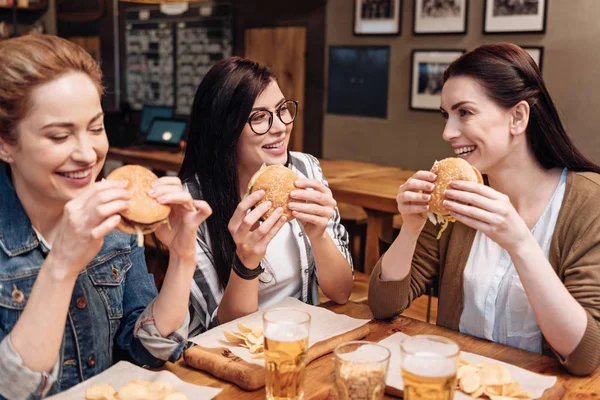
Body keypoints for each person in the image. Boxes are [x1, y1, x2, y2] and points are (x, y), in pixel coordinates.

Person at [368, 43, 600, 376]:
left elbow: (584, 355)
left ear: (517, 117)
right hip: (454, 383)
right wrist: (410, 227)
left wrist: (519, 243)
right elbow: (383, 305)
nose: (448, 132)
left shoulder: (588, 203)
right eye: (446, 115)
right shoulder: (455, 196)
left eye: (465, 112)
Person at [0, 35, 212, 398]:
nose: (87, 154)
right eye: (59, 135)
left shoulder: (118, 220)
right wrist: (62, 264)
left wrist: (181, 257)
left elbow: (146, 349)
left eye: (96, 128)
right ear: (6, 143)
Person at [179, 57, 353, 335]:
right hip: (231, 357)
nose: (281, 126)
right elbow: (221, 330)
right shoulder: (190, 205)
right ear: (225, 128)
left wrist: (318, 236)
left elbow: (342, 293)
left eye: (283, 109)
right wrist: (247, 259)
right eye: (259, 117)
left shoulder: (305, 170)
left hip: (301, 343)